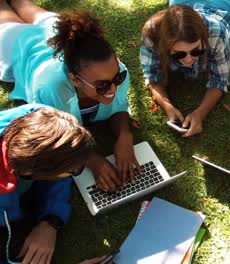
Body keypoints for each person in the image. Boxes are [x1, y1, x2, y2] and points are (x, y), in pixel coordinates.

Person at [0, 0, 139, 192]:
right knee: (5, 13)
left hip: (55, 30)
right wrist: (93, 161)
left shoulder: (117, 74)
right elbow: (56, 136)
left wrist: (125, 136)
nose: (114, 87)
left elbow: (119, 107)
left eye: (118, 77)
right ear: (75, 80)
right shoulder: (50, 89)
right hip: (23, 45)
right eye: (103, 85)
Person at [0, 104, 94, 264]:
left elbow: (58, 172)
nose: (77, 171)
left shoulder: (41, 117)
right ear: (31, 172)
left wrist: (51, 221)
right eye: (74, 170)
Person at [140, 0, 230, 137]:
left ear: (204, 38)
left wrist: (200, 113)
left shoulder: (216, 32)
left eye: (197, 51)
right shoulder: (152, 34)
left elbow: (219, 80)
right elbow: (151, 75)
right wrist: (168, 107)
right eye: (179, 54)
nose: (189, 59)